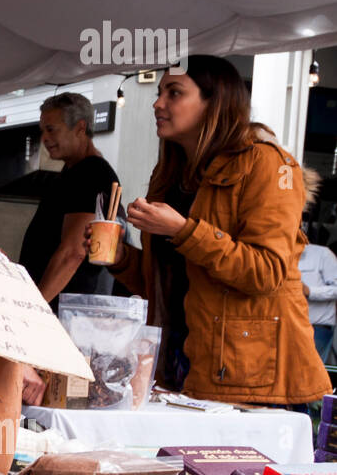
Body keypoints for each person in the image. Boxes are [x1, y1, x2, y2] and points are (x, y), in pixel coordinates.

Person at [97, 56, 328, 406]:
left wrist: (184, 231)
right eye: (159, 93)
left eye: (174, 93)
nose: (158, 103)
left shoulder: (267, 163)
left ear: (215, 102)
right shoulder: (170, 174)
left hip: (250, 379)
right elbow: (169, 286)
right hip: (179, 370)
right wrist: (120, 257)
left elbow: (267, 273)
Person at [18, 93, 119, 310]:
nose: (44, 138)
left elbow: (74, 251)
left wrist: (35, 308)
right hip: (60, 308)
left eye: (51, 129)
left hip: (66, 312)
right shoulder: (73, 172)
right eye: (42, 130)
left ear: (80, 128)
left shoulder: (92, 173)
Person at [299, 221, 337, 364]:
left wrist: (310, 291)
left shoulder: (322, 254)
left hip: (316, 328)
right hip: (286, 326)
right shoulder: (279, 256)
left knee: (308, 375)